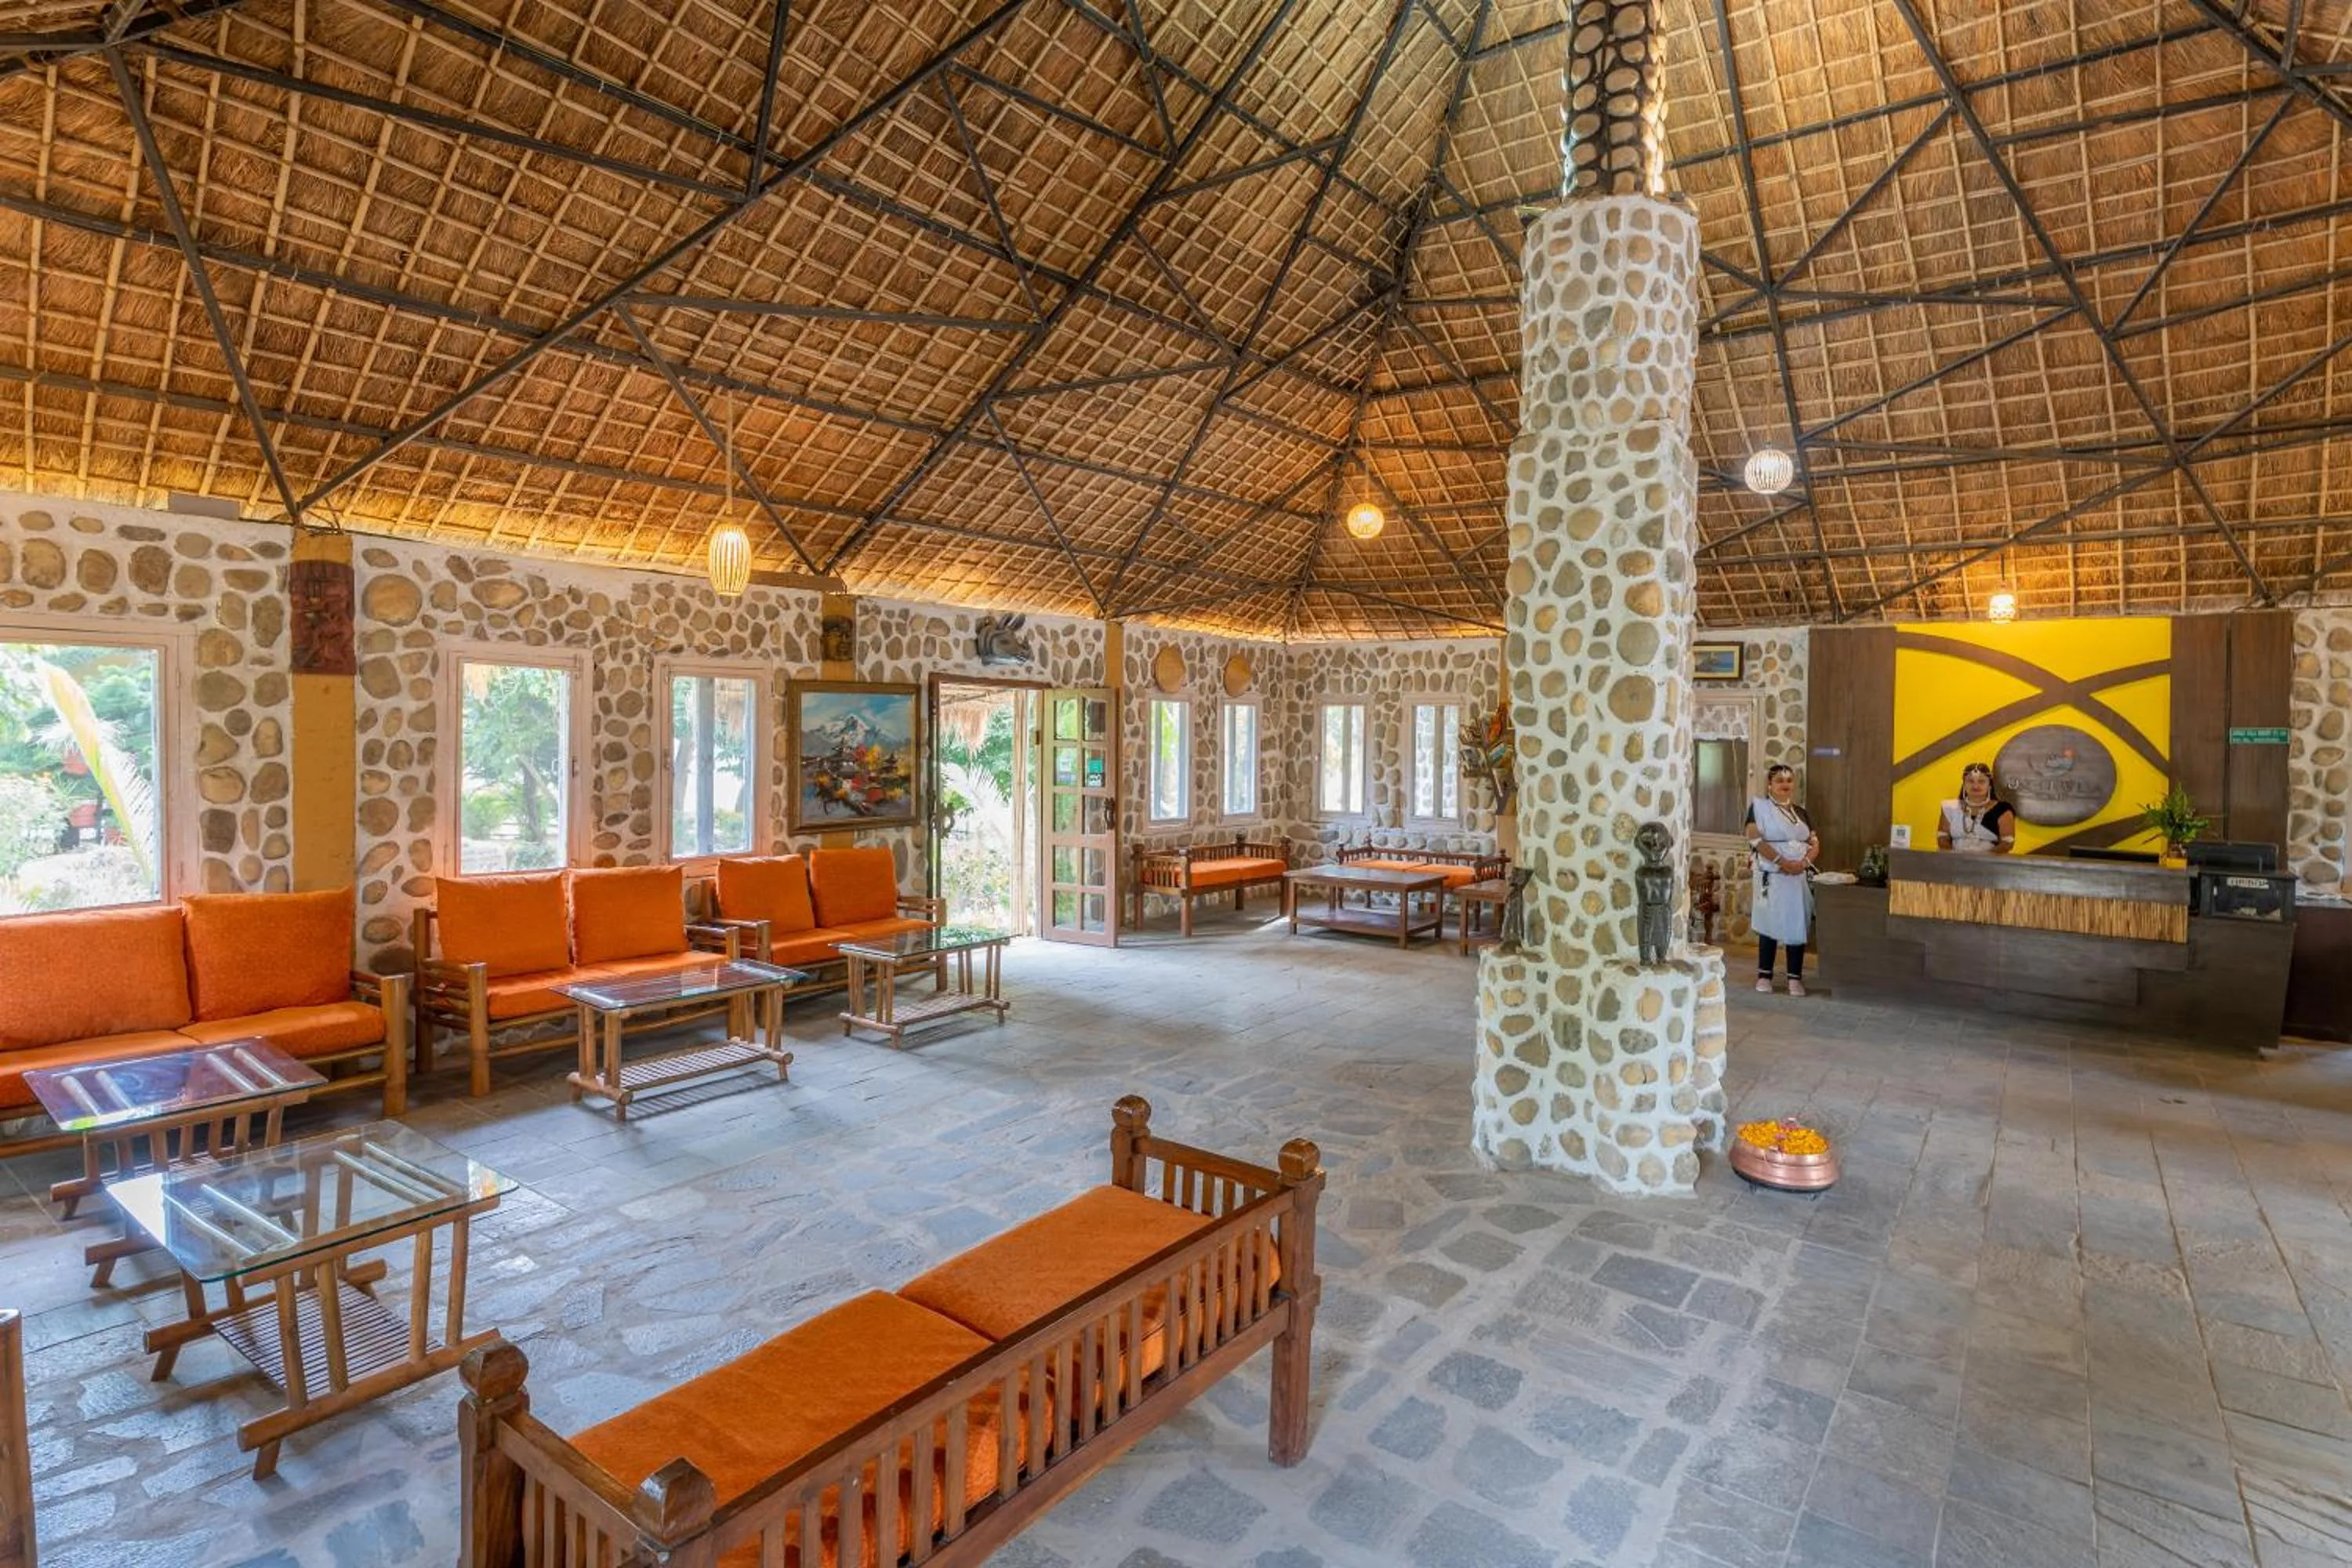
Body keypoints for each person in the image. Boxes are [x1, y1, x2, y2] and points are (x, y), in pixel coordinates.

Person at [1744, 764, 1818, 996]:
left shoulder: (1801, 812)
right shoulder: (1759, 808)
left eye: (1789, 781)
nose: (1785, 785)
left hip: (1798, 876)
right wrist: (1783, 862)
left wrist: (1803, 863)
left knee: (1798, 922)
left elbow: (1816, 843)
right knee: (1770, 922)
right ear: (1770, 784)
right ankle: (1764, 975)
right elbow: (1755, 840)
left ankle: (1794, 978)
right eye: (1780, 781)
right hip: (1772, 874)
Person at [1936, 762, 2016, 854]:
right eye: (1971, 781)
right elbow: (1942, 838)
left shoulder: (2002, 809)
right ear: (1964, 785)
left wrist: (1982, 860)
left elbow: (2007, 844)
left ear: (1990, 785)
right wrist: (1955, 858)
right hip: (1954, 862)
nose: (1975, 786)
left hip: (1989, 864)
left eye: (1981, 781)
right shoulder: (1950, 808)